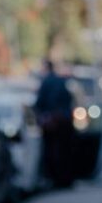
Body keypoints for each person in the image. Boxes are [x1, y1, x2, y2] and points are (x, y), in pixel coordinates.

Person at [32, 54, 78, 190]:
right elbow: (70, 100)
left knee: (52, 151)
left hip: (53, 122)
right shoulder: (61, 82)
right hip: (64, 120)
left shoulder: (46, 83)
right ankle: (66, 178)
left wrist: (43, 116)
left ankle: (55, 178)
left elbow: (39, 103)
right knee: (65, 151)